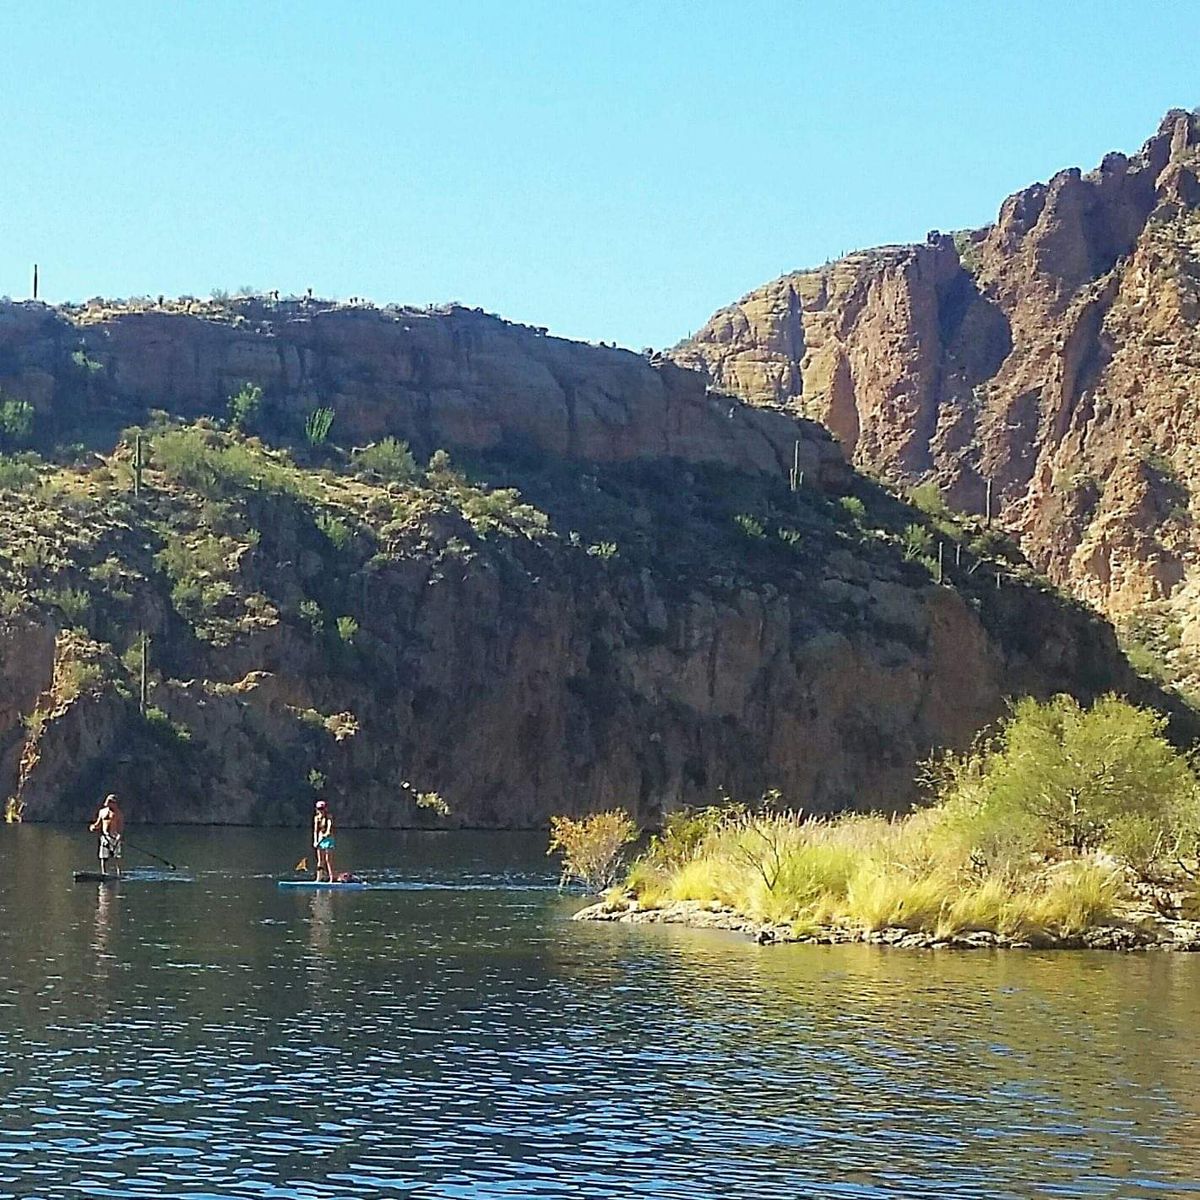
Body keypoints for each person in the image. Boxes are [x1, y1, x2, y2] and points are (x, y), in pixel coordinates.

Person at [89, 794, 124, 878]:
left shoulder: (118, 814)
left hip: (114, 837)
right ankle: (103, 872)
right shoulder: (102, 812)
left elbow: (120, 827)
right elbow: (98, 824)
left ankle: (119, 873)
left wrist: (119, 835)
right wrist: (93, 827)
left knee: (116, 856)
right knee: (103, 856)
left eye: (111, 802)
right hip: (105, 837)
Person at [313, 800, 336, 882]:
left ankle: (331, 878)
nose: (321, 811)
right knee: (320, 860)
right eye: (319, 809)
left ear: (325, 809)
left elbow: (329, 828)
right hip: (320, 839)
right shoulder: (316, 818)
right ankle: (319, 878)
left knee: (328, 860)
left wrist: (326, 834)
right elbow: (315, 831)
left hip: (328, 840)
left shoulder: (329, 817)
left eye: (322, 809)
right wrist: (315, 841)